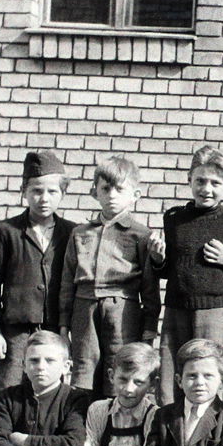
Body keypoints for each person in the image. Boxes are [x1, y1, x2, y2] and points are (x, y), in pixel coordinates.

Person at [59, 155, 163, 398]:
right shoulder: (80, 233)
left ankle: (115, 429)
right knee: (84, 370)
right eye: (106, 188)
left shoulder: (141, 235)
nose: (112, 195)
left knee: (120, 367)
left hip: (123, 311)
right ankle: (82, 430)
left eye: (119, 189)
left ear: (135, 195)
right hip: (84, 309)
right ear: (94, 192)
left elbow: (150, 286)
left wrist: (149, 328)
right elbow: (66, 282)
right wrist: (64, 327)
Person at [158, 145, 223, 403]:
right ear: (189, 180)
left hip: (214, 313)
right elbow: (167, 269)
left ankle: (216, 435)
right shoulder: (174, 218)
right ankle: (172, 431)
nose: (206, 189)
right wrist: (157, 259)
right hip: (176, 310)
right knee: (173, 375)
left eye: (215, 182)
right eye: (200, 180)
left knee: (212, 375)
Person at [0, 150, 75, 389]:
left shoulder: (72, 233)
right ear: (24, 192)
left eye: (52, 191)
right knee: (10, 392)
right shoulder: (7, 231)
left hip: (56, 330)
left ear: (63, 193)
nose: (44, 198)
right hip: (15, 333)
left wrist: (67, 332)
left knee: (52, 392)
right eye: (36, 191)